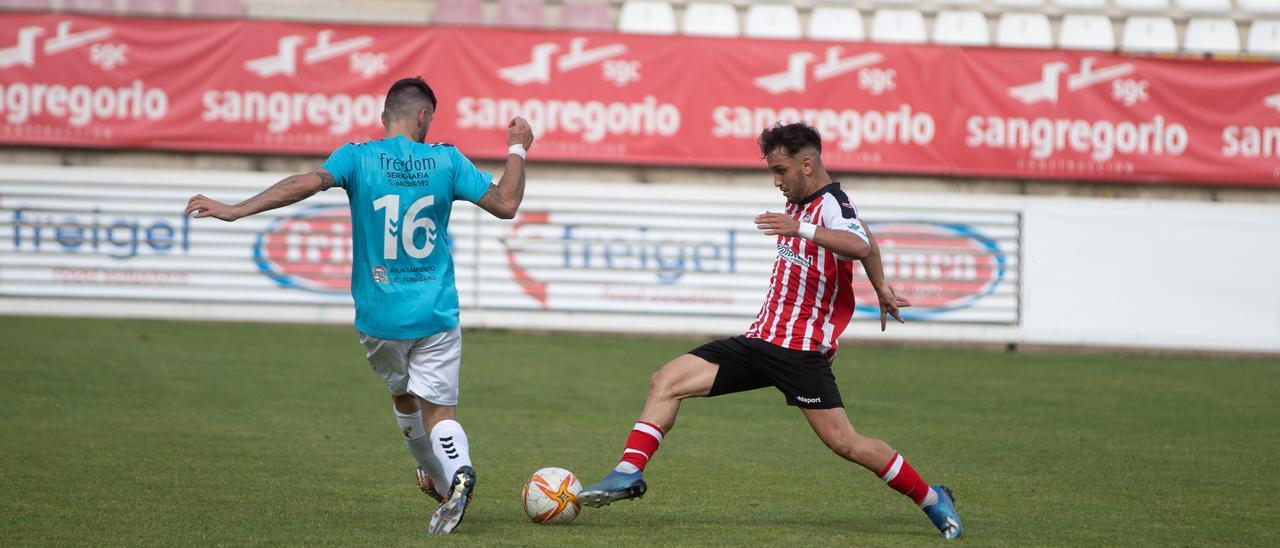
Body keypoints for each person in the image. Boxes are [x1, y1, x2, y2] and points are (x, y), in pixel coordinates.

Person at [577, 122, 964, 540]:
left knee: (845, 443)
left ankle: (932, 498)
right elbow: (865, 233)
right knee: (666, 381)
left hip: (800, 352)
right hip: (761, 339)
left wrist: (802, 230)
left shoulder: (831, 203)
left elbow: (858, 243)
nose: (777, 181)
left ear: (808, 163)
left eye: (781, 171)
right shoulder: (803, 201)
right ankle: (627, 472)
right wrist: (881, 283)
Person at [185, 76, 534, 535]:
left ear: (383, 116)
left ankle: (439, 476)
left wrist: (235, 209)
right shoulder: (446, 160)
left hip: (379, 315)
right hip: (435, 312)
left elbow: (305, 184)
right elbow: (506, 204)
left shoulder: (357, 157)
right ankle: (457, 471)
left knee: (404, 398)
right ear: (424, 115)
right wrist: (518, 148)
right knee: (441, 413)